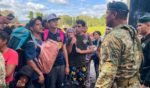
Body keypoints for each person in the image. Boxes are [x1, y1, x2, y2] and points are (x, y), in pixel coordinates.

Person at [95, 1, 143, 88]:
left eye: (107, 13)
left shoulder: (113, 37)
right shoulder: (132, 33)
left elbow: (107, 73)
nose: (105, 16)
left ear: (114, 14)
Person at [15, 18, 44, 88]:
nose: (40, 26)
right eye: (37, 24)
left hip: (39, 70)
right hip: (34, 74)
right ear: (31, 28)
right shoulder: (30, 42)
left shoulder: (40, 39)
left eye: (41, 24)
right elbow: (29, 61)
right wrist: (40, 74)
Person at [44, 13, 69, 88]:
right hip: (49, 66)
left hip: (61, 64)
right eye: (53, 20)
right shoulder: (44, 34)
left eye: (57, 20)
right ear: (48, 23)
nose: (56, 22)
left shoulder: (61, 34)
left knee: (60, 85)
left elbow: (64, 50)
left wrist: (67, 66)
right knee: (50, 85)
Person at [67, 20, 94, 88]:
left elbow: (91, 50)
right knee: (73, 84)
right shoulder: (71, 38)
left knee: (82, 84)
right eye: (75, 26)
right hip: (73, 65)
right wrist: (71, 43)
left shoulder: (86, 38)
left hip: (82, 65)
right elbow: (68, 52)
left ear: (83, 28)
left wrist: (81, 51)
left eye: (79, 26)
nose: (76, 28)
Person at [137, 14, 150, 88]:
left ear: (148, 24)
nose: (138, 28)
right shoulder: (143, 39)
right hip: (141, 78)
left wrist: (146, 84)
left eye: (140, 25)